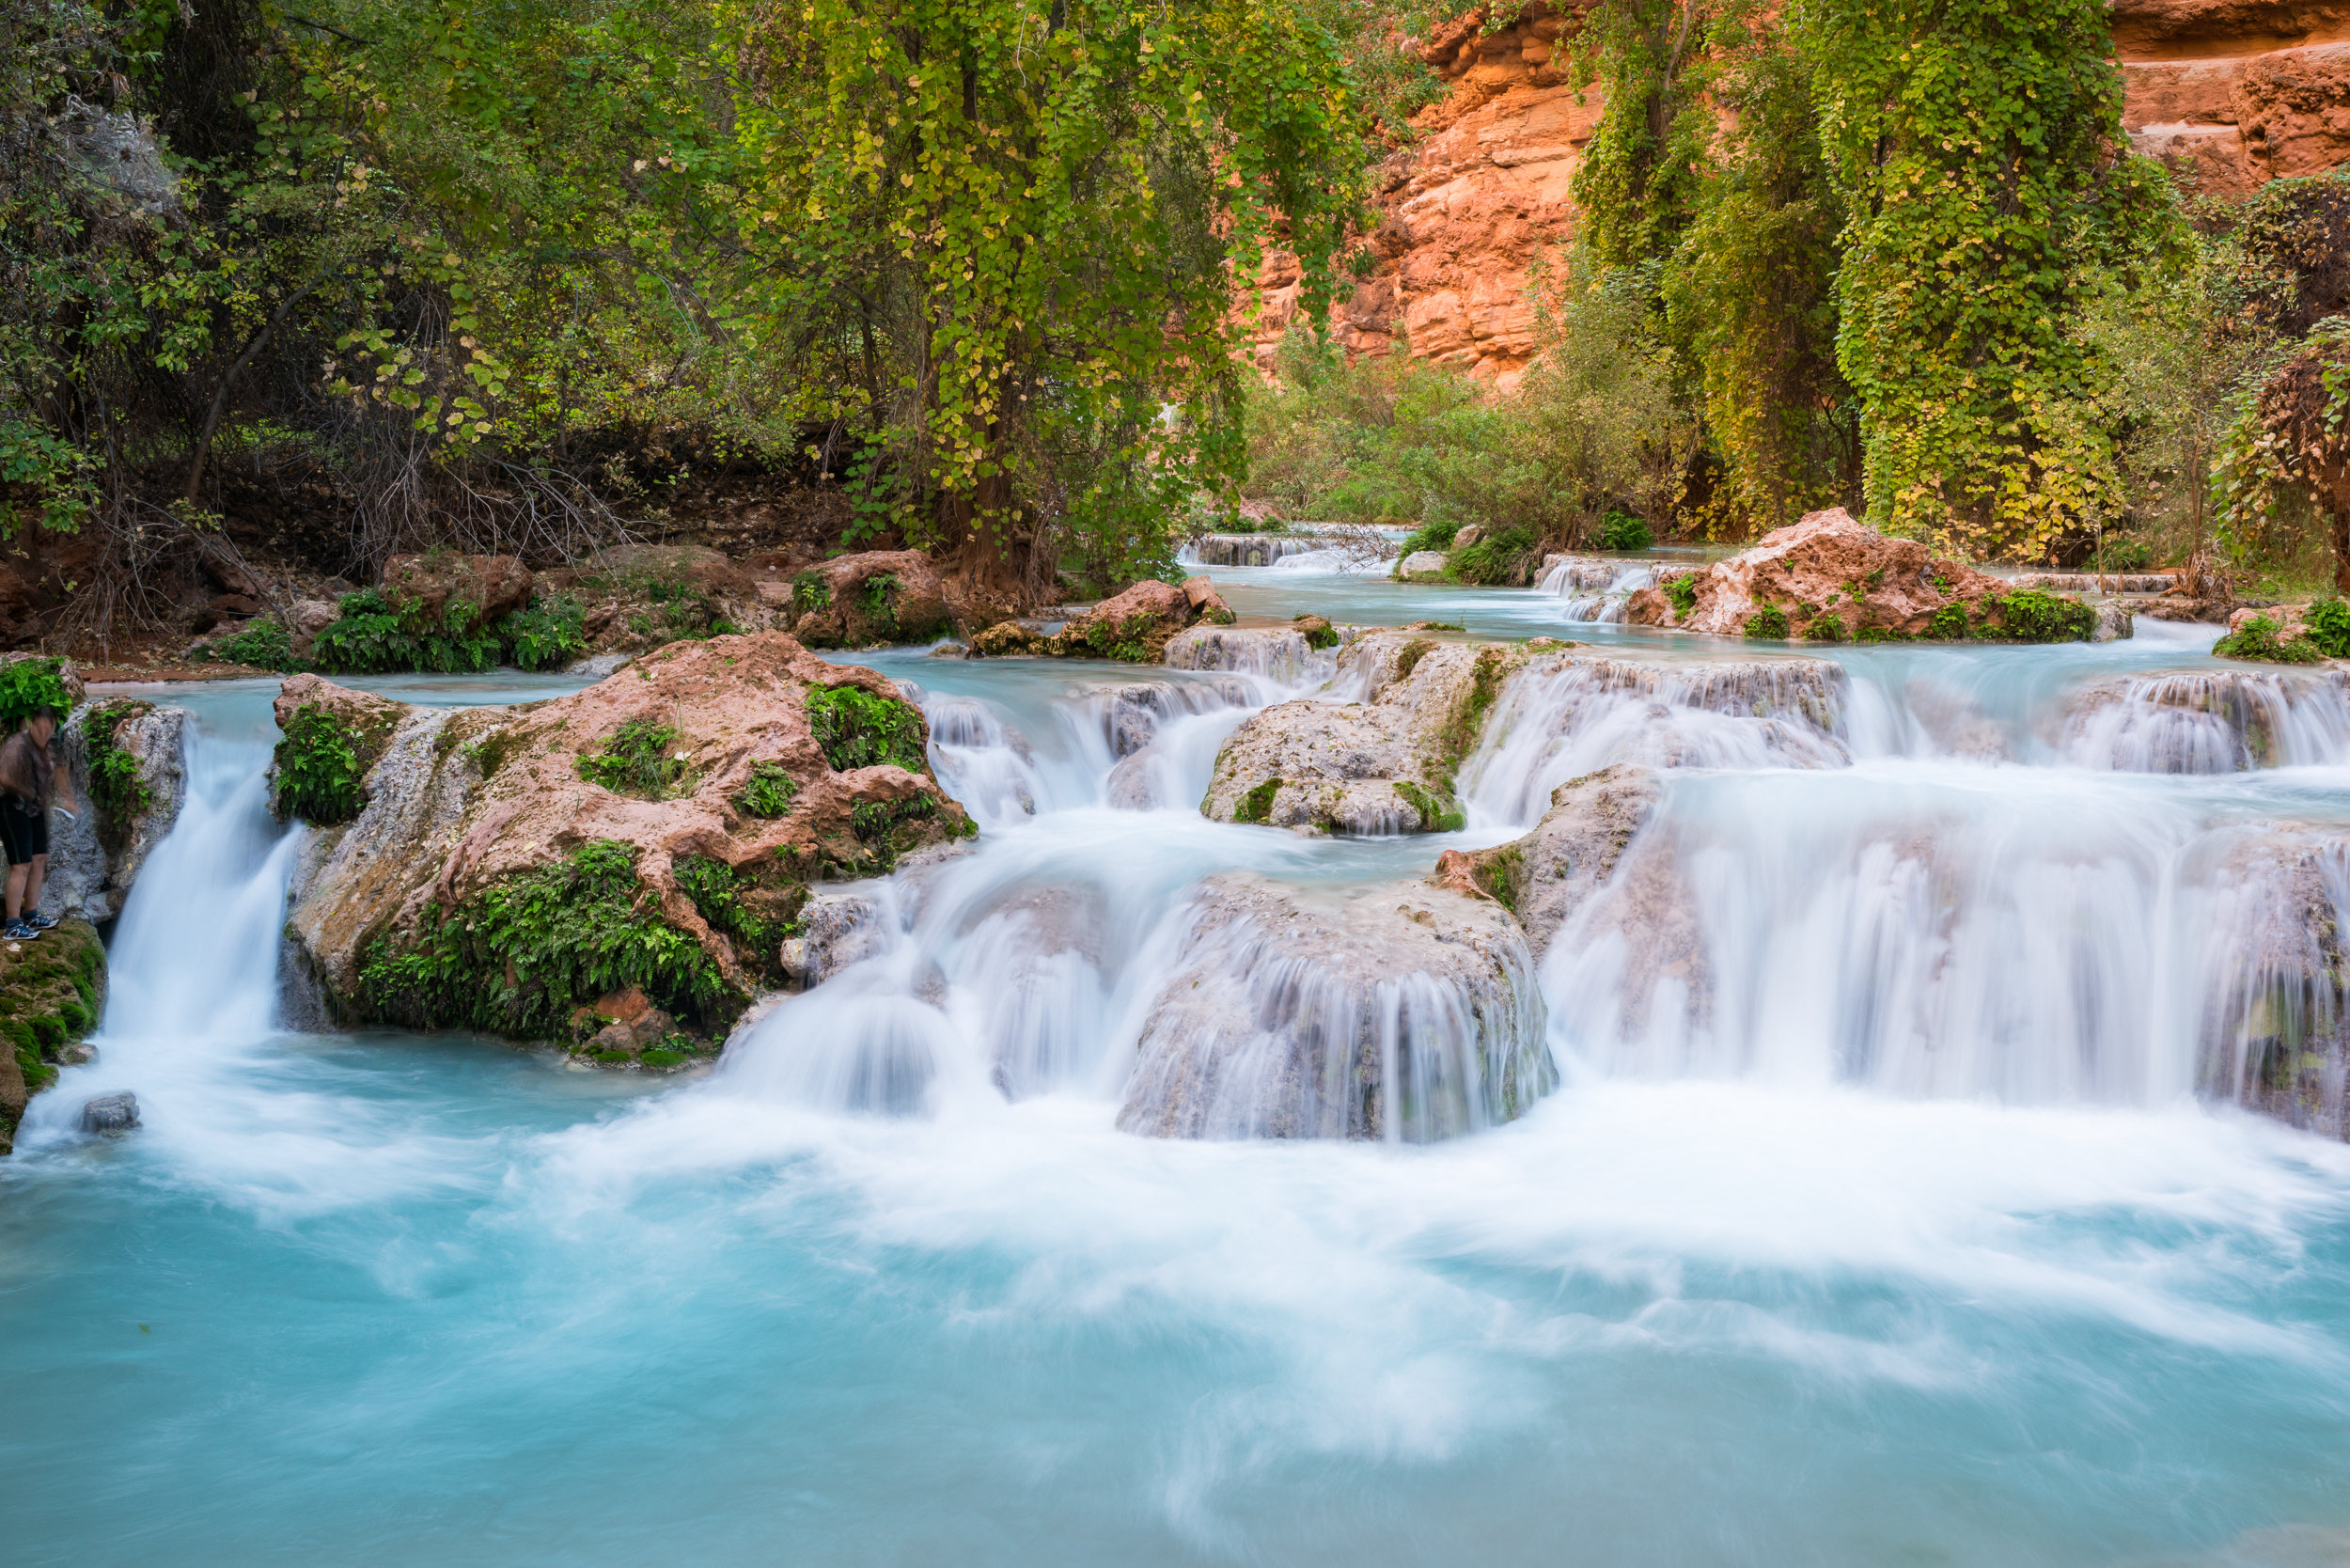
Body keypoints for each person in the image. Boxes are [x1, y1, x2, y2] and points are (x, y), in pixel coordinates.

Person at [0, 706, 74, 940]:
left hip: (35, 807)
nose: (43, 733)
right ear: (31, 724)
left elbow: (60, 769)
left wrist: (67, 796)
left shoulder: (52, 742)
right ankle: (12, 925)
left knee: (39, 859)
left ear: (53, 726)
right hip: (10, 807)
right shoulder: (17, 745)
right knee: (20, 865)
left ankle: (31, 914)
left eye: (47, 728)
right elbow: (2, 776)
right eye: (39, 728)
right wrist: (26, 790)